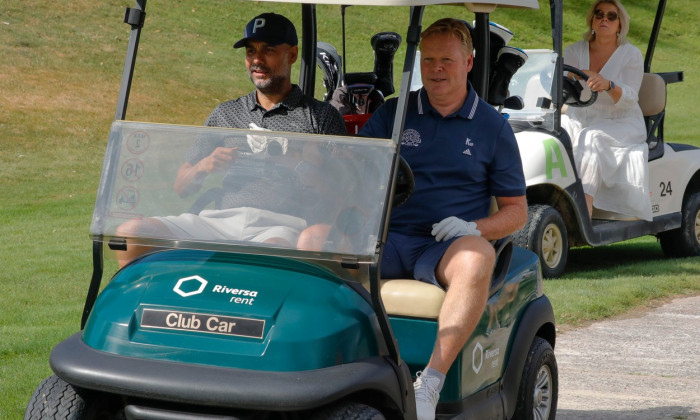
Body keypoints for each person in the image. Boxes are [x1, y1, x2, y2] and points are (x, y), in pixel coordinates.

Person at [300, 18, 527, 420]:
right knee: (312, 239)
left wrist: (474, 227)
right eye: (429, 59)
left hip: (446, 246)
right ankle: (319, 362)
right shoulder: (395, 113)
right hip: (386, 237)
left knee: (476, 257)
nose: (436, 69)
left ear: (469, 62)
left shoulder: (492, 128)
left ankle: (431, 384)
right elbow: (353, 171)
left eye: (448, 60)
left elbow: (516, 212)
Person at [115, 12, 346, 268]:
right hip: (218, 222)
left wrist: (301, 167)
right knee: (130, 234)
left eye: (268, 50)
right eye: (250, 51)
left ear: (291, 55)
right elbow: (182, 187)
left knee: (260, 258)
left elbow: (343, 194)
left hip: (283, 227)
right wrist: (205, 166)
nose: (257, 60)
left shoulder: (321, 118)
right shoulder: (225, 114)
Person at [561, 0, 652, 220]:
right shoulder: (573, 51)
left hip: (620, 121)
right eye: (599, 14)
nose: (604, 19)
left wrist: (609, 85)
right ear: (592, 19)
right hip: (580, 114)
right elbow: (561, 86)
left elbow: (630, 98)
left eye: (612, 16)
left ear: (620, 24)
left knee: (591, 137)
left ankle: (585, 207)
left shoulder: (630, 54)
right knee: (555, 131)